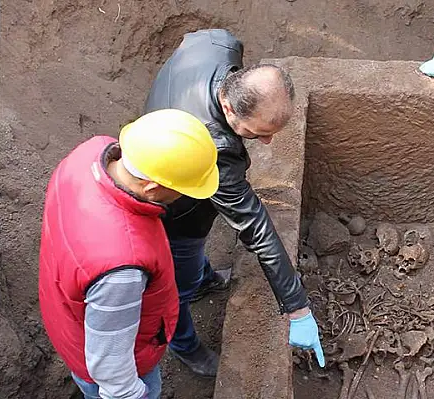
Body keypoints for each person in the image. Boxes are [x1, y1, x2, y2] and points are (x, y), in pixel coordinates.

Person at [144, 29, 325, 377]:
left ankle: (204, 279)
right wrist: (298, 309)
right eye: (256, 134)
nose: (268, 142)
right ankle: (184, 345)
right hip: (173, 206)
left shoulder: (217, 45)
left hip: (162, 125)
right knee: (177, 275)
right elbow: (256, 230)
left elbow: (196, 39)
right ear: (228, 106)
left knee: (193, 262)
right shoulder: (213, 150)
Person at [39, 109, 220, 399]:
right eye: (181, 190)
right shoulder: (122, 267)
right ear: (152, 187)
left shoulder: (90, 154)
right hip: (113, 366)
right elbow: (111, 369)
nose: (183, 197)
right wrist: (133, 393)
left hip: (70, 324)